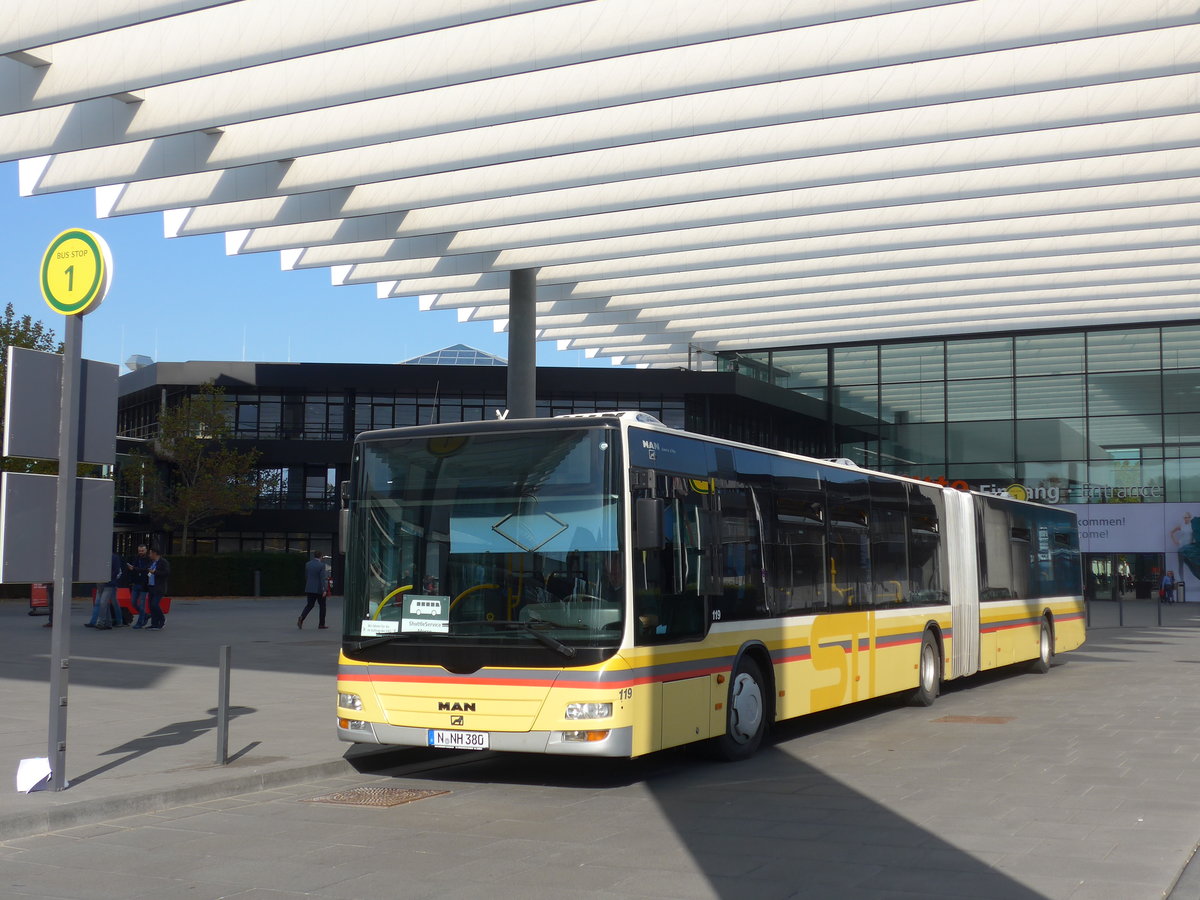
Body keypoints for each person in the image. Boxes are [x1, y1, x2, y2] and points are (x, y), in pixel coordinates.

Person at [92, 553, 126, 630]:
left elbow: (116, 570)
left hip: (108, 582)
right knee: (105, 603)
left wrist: (108, 578)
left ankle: (101, 622)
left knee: (103, 602)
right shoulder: (104, 557)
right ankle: (108, 622)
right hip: (102, 582)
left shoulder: (114, 557)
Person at [298, 552, 329, 629]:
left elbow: (306, 576)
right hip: (319, 589)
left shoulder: (308, 564)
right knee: (322, 606)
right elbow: (322, 578)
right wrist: (324, 589)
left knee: (309, 605)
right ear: (321, 556)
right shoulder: (321, 565)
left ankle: (302, 617)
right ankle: (321, 624)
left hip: (309, 588)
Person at [126, 544, 152, 629]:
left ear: (146, 550)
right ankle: (145, 615)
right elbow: (133, 569)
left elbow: (146, 569)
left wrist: (134, 569)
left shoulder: (149, 559)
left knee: (142, 604)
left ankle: (140, 622)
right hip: (136, 583)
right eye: (139, 550)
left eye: (142, 550)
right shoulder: (136, 558)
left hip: (144, 584)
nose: (141, 552)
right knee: (133, 602)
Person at [145, 547, 170, 630]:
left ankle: (162, 619)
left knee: (154, 604)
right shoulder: (152, 562)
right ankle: (154, 623)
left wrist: (154, 572)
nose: (149, 555)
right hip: (151, 586)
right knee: (151, 606)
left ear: (155, 553)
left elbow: (166, 573)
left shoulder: (163, 562)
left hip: (159, 587)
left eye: (150, 553)